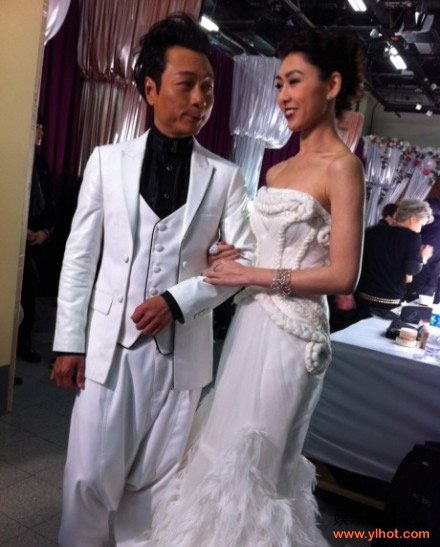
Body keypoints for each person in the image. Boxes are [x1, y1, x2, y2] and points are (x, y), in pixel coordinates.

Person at [150, 28, 365, 546]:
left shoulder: (344, 168)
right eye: (278, 84)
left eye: (295, 81)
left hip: (294, 336)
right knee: (221, 441)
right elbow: (260, 252)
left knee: (260, 459)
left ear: (332, 85)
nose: (283, 96)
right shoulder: (279, 168)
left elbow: (343, 275)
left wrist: (252, 275)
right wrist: (233, 257)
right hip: (250, 324)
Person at [50, 14, 254, 546]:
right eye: (187, 84)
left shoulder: (226, 176)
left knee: (159, 491)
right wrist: (69, 342)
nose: (200, 99)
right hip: (110, 351)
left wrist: (178, 299)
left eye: (208, 87)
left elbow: (244, 263)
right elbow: (80, 256)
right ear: (150, 89)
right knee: (88, 479)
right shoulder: (106, 162)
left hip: (182, 358)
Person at [17, 117, 55, 362]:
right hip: (14, 237)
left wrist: (44, 232)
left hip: (36, 240)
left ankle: (24, 344)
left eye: (43, 128)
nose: (42, 133)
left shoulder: (41, 164)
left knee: (30, 294)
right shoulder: (16, 160)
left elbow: (50, 203)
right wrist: (21, 230)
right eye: (38, 127)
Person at [355, 199, 433, 319]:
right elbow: (411, 270)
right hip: (388, 299)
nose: (420, 228)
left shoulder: (373, 231)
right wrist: (423, 258)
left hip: (362, 295)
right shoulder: (412, 238)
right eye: (421, 224)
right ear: (412, 219)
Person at [406, 198, 440, 302]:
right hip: (424, 283)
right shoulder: (431, 231)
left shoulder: (433, 234)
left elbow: (419, 258)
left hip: (420, 285)